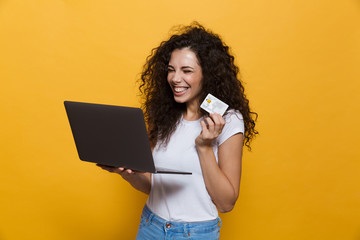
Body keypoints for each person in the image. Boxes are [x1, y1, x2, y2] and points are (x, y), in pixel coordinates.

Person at [98, 22, 258, 240]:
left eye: (187, 71)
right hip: (150, 226)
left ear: (207, 75)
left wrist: (204, 147)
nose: (175, 79)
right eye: (171, 70)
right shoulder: (164, 115)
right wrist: (126, 172)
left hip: (195, 234)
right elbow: (154, 186)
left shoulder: (228, 120)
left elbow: (226, 203)